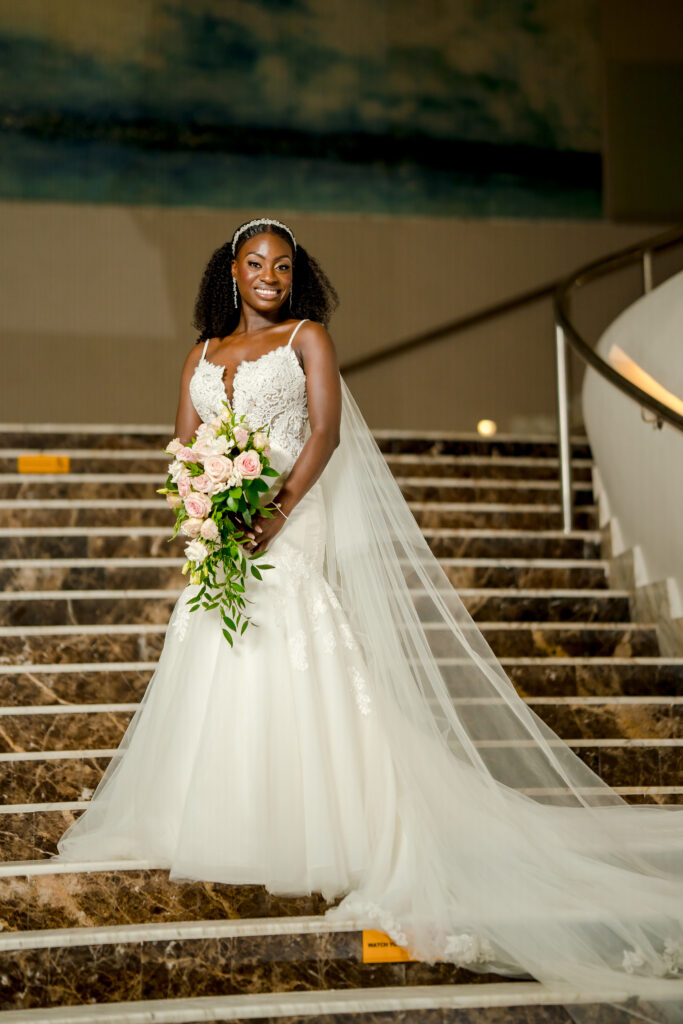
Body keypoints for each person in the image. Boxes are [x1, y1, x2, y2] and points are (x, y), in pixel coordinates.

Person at [54, 217, 683, 1023]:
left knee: (294, 636)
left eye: (281, 264)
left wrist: (272, 513)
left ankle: (329, 821)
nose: (268, 275)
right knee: (216, 645)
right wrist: (202, 508)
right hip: (225, 529)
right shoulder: (201, 356)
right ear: (231, 273)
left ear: (294, 275)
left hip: (289, 515)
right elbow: (184, 446)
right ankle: (224, 813)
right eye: (254, 263)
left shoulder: (307, 338)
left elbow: (325, 432)